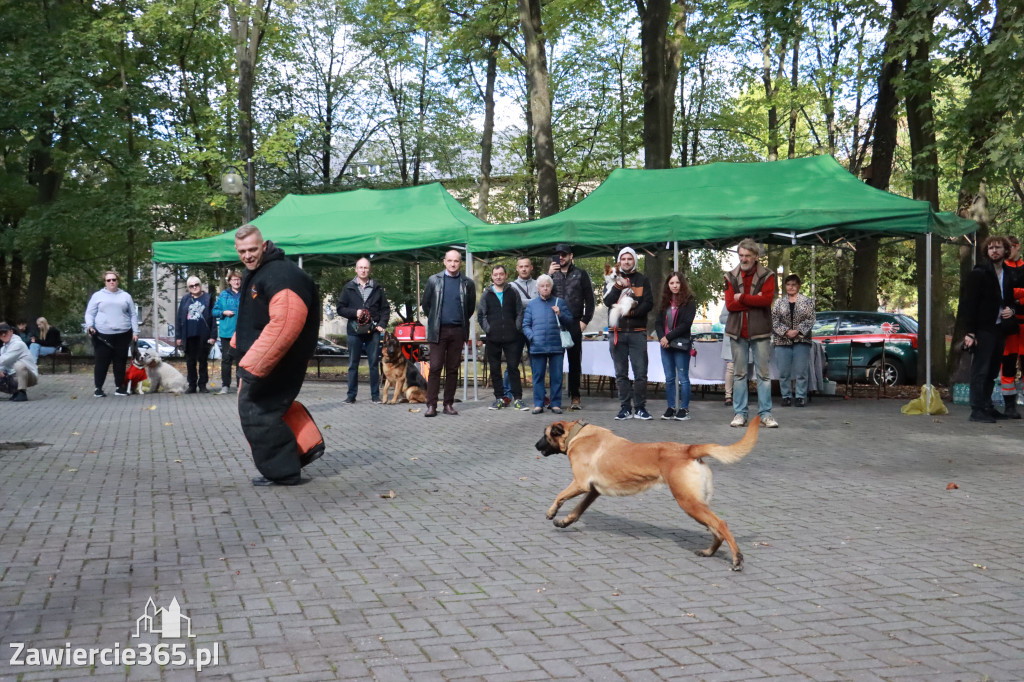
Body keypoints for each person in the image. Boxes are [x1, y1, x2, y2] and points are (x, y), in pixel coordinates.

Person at [233, 225, 321, 486]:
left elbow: (285, 324)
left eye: (251, 249)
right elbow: (253, 317)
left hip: (277, 360)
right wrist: (237, 347)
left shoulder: (281, 275)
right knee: (270, 409)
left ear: (264, 245)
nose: (247, 256)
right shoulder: (260, 273)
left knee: (257, 410)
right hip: (265, 358)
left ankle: (284, 472)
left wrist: (253, 366)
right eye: (241, 251)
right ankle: (304, 449)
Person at [961, 235, 1017, 423]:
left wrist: (1012, 309)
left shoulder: (1008, 273)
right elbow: (968, 304)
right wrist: (969, 332)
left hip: (1000, 328)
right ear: (987, 251)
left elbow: (1010, 299)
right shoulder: (979, 272)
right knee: (981, 370)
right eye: (991, 248)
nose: (994, 251)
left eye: (998, 247)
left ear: (1005, 251)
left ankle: (987, 405)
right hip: (983, 328)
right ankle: (976, 409)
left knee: (993, 372)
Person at [724, 239, 778, 428]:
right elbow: (730, 304)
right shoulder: (730, 275)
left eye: (747, 255)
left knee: (763, 374)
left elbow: (767, 300)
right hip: (737, 331)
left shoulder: (768, 275)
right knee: (739, 374)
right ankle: (740, 414)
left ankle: (765, 414)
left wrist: (743, 297)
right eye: (741, 255)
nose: (744, 259)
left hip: (760, 330)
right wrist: (755, 299)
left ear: (756, 256)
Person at [421, 249, 476, 417]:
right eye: (450, 260)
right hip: (438, 330)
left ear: (460, 263)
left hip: (458, 330)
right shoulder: (433, 280)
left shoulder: (467, 283)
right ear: (444, 261)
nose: (453, 264)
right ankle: (431, 405)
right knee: (436, 367)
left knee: (452, 369)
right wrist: (438, 319)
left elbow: (470, 308)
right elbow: (426, 305)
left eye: (456, 261)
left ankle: (448, 404)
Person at [603, 246, 654, 420]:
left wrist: (631, 312)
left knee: (640, 373)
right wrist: (618, 286)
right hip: (617, 332)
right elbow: (608, 302)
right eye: (623, 259)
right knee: (621, 373)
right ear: (619, 262)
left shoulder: (642, 279)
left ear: (634, 260)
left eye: (629, 259)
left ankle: (640, 407)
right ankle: (625, 407)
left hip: (637, 332)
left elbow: (648, 303)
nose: (626, 262)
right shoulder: (612, 280)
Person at [337, 257, 389, 405]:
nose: (363, 270)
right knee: (353, 364)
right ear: (356, 269)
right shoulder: (348, 287)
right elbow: (340, 308)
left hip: (372, 332)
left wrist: (382, 324)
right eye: (360, 267)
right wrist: (355, 312)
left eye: (366, 268)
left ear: (369, 269)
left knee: (373, 364)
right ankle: (351, 395)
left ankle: (375, 396)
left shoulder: (377, 288)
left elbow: (385, 309)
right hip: (354, 331)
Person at [549, 243, 595, 410]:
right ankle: (555, 398)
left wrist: (584, 321)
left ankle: (575, 396)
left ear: (571, 256)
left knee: (575, 361)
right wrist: (549, 274)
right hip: (554, 323)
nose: (560, 257)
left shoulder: (580, 274)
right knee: (555, 361)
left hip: (574, 322)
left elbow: (590, 300)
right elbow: (542, 293)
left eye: (564, 254)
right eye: (558, 254)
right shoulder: (551, 275)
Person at [523, 274, 574, 415]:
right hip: (537, 347)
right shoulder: (532, 305)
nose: (545, 288)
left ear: (551, 287)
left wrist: (561, 314)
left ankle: (556, 404)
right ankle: (539, 404)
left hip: (556, 346)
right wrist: (532, 337)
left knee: (557, 376)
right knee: (538, 376)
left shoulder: (560, 302)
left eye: (547, 285)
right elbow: (525, 325)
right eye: (542, 286)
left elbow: (570, 322)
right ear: (538, 288)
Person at [477, 264, 526, 410]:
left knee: (513, 368)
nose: (498, 277)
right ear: (492, 276)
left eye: (501, 274)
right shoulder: (487, 294)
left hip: (512, 338)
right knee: (495, 369)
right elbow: (481, 315)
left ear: (506, 276)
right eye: (495, 274)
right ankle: (499, 398)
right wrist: (488, 329)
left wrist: (516, 327)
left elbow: (520, 312)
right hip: (493, 338)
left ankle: (518, 399)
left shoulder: (513, 292)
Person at [84, 270, 138, 397]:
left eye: (114, 279)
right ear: (105, 282)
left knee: (120, 362)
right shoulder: (98, 296)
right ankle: (98, 388)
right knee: (102, 362)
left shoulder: (126, 296)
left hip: (123, 333)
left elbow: (133, 315)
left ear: (118, 281)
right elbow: (89, 313)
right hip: (103, 335)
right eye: (109, 280)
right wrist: (90, 326)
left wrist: (135, 331)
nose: (112, 282)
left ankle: (120, 387)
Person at [655, 271, 697, 421]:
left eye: (677, 283)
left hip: (680, 344)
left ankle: (684, 409)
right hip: (665, 345)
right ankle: (671, 407)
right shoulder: (664, 301)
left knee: (683, 378)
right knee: (669, 378)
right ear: (668, 285)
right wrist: (662, 338)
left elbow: (686, 324)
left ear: (682, 284)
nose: (674, 286)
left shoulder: (689, 301)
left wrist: (668, 337)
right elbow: (658, 322)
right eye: (671, 283)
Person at [771, 274, 816, 408]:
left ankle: (800, 396)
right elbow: (774, 320)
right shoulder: (779, 302)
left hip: (801, 340)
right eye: (788, 284)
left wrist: (798, 331)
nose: (791, 287)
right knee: (783, 371)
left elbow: (811, 319)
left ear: (799, 286)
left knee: (801, 371)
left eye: (794, 285)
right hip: (782, 340)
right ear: (785, 286)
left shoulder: (807, 301)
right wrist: (785, 331)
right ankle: (786, 396)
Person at [175, 276, 217, 394]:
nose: (194, 287)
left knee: (203, 361)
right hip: (188, 335)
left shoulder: (208, 298)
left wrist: (213, 335)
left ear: (201, 285)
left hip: (204, 335)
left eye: (196, 284)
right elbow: (179, 319)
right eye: (191, 286)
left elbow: (213, 318)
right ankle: (192, 385)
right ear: (188, 288)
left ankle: (203, 385)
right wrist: (178, 337)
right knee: (190, 361)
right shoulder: (185, 299)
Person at [998, 235, 1024, 417]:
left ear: (1017, 247)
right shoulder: (1001, 268)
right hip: (1009, 325)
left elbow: (1010, 294)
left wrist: (1015, 295)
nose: (1008, 251)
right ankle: (1009, 406)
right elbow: (1001, 294)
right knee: (1007, 364)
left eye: (1011, 247)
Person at [212, 270, 243, 394]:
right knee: (226, 360)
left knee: (241, 361)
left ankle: (240, 386)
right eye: (233, 279)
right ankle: (225, 385)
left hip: (242, 332)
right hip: (227, 333)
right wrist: (223, 312)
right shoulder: (223, 295)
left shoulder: (245, 293)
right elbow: (214, 311)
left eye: (238, 279)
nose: (236, 281)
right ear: (229, 282)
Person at [0, 322, 38, 402]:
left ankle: (22, 392)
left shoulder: (18, 344)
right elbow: (3, 364)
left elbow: (4, 359)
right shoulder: (3, 348)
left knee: (19, 365)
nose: (3, 335)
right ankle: (15, 392)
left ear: (11, 332)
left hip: (29, 376)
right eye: (0, 333)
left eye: (5, 332)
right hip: (12, 376)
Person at [719, 306, 734, 406]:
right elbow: (722, 319)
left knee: (743, 370)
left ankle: (740, 395)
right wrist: (736, 317)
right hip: (732, 336)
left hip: (747, 337)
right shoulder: (731, 298)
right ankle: (728, 396)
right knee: (730, 368)